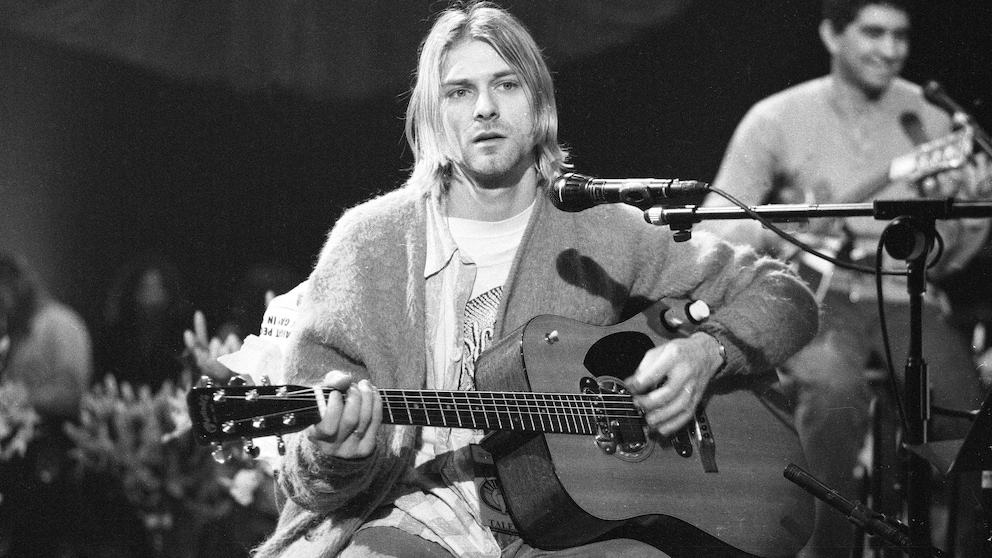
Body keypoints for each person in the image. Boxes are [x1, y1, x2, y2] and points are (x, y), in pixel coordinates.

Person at [252, 2, 819, 557]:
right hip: (406, 511)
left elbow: (784, 295)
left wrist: (707, 353)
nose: (485, 109)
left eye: (506, 85)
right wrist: (337, 452)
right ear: (431, 114)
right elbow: (307, 473)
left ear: (539, 101)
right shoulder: (367, 243)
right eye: (459, 91)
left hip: (565, 528)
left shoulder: (602, 229)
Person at [701, 0, 991, 555]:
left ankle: (950, 542)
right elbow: (722, 226)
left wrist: (974, 209)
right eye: (873, 33)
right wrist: (779, 232)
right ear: (832, 35)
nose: (890, 50)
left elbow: (949, 256)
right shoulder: (775, 117)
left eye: (900, 35)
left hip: (902, 290)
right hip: (814, 292)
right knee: (834, 392)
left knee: (961, 404)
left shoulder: (927, 118)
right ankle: (825, 548)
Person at [0, 251, 93, 557]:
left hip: (51, 466)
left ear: (15, 285)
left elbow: (71, 394)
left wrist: (14, 400)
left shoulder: (60, 325)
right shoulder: (15, 334)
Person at [94, 253, 194, 390]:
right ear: (132, 292)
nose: (151, 298)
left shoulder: (181, 338)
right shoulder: (115, 339)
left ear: (169, 293)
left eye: (157, 288)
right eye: (145, 288)